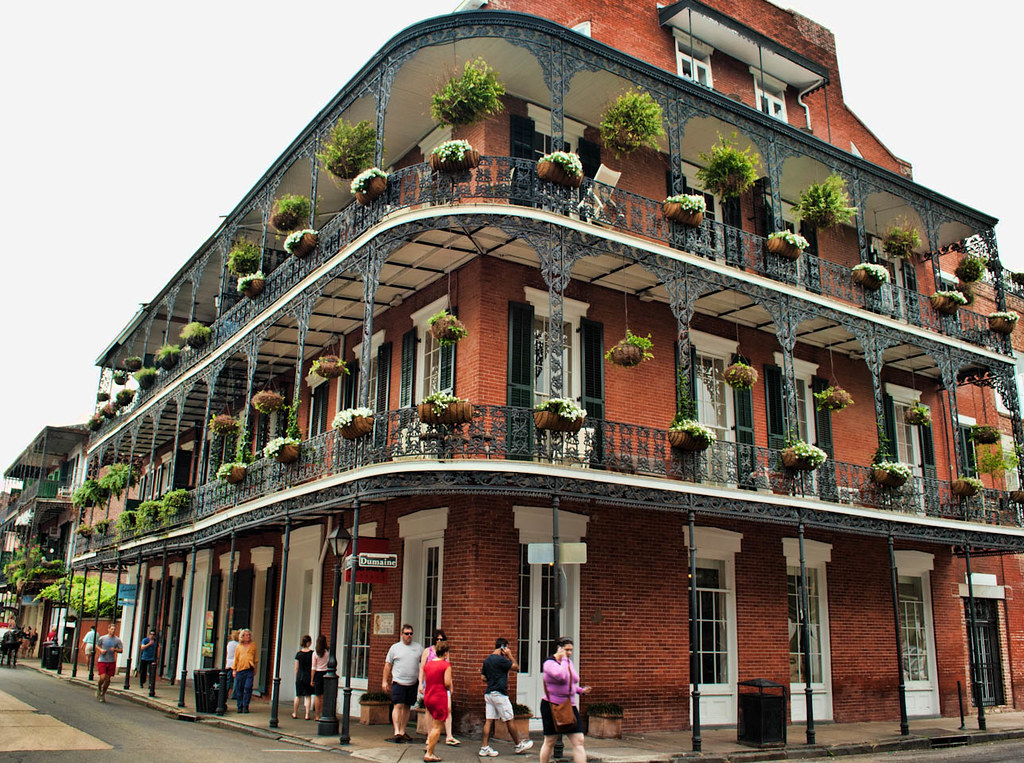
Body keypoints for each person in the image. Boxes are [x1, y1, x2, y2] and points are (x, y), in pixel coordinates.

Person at [539, 637, 590, 763]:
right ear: (559, 648)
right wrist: (564, 660)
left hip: (569, 705)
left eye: (571, 650)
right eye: (567, 650)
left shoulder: (567, 662)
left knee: (579, 740)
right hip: (552, 705)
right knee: (550, 740)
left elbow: (572, 680)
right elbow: (561, 677)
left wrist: (580, 691)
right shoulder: (549, 663)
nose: (570, 653)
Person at [479, 638, 533, 757]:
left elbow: (483, 678)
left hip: (489, 694)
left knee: (489, 720)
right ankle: (519, 745)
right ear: (503, 647)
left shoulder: (487, 660)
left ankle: (484, 747)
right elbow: (517, 667)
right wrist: (510, 655)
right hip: (500, 694)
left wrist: (492, 680)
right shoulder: (501, 660)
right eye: (507, 648)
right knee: (509, 719)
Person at [382, 623, 423, 742]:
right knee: (398, 705)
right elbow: (388, 665)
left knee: (407, 707)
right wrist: (384, 681)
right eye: (406, 634)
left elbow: (424, 662)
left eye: (411, 634)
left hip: (412, 682)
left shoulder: (418, 648)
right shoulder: (395, 648)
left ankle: (402, 731)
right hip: (398, 682)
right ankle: (396, 731)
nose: (409, 636)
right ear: (401, 634)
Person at [420, 628, 459, 746]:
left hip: (443, 684)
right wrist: (420, 684)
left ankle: (449, 735)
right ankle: (429, 735)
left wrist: (451, 685)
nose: (439, 641)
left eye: (441, 639)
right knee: (429, 711)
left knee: (448, 709)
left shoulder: (446, 654)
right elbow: (422, 669)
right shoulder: (428, 651)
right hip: (431, 684)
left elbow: (448, 670)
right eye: (437, 639)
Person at [422, 640, 453, 763]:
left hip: (428, 696)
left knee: (433, 724)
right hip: (439, 696)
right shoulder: (446, 665)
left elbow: (426, 679)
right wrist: (450, 687)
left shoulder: (428, 665)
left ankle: (430, 750)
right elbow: (446, 682)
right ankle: (430, 752)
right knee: (437, 726)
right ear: (445, 653)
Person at [231, 628, 257, 713]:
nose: (248, 636)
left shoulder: (253, 645)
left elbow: (255, 658)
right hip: (240, 669)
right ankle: (239, 705)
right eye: (246, 635)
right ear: (242, 636)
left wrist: (255, 668)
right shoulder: (239, 646)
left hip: (249, 668)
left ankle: (246, 705)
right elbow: (236, 658)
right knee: (239, 688)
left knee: (248, 687)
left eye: (249, 635)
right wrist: (234, 670)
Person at [96, 623, 123, 702]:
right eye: (111, 629)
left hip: (111, 661)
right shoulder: (103, 638)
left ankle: (103, 694)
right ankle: (99, 686)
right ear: (108, 629)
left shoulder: (117, 640)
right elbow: (96, 645)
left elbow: (121, 650)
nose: (113, 631)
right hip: (102, 660)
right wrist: (101, 650)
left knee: (107, 679)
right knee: (102, 677)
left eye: (114, 629)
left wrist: (115, 650)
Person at [293, 634, 314, 720]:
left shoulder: (298, 654)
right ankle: (307, 714)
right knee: (308, 696)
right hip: (307, 675)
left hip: (300, 675)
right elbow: (313, 666)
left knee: (298, 695)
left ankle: (295, 713)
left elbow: (296, 667)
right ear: (308, 643)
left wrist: (297, 676)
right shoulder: (312, 654)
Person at [311, 634, 329, 719]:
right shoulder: (327, 653)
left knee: (317, 695)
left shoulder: (315, 653)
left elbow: (313, 667)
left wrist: (311, 679)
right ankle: (324, 713)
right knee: (324, 695)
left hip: (317, 674)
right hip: (325, 673)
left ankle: (317, 715)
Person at [225, 629, 240, 698]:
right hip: (235, 663)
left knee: (228, 679)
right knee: (236, 679)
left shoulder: (229, 644)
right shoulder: (238, 645)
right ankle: (234, 694)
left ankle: (226, 692)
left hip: (228, 663)